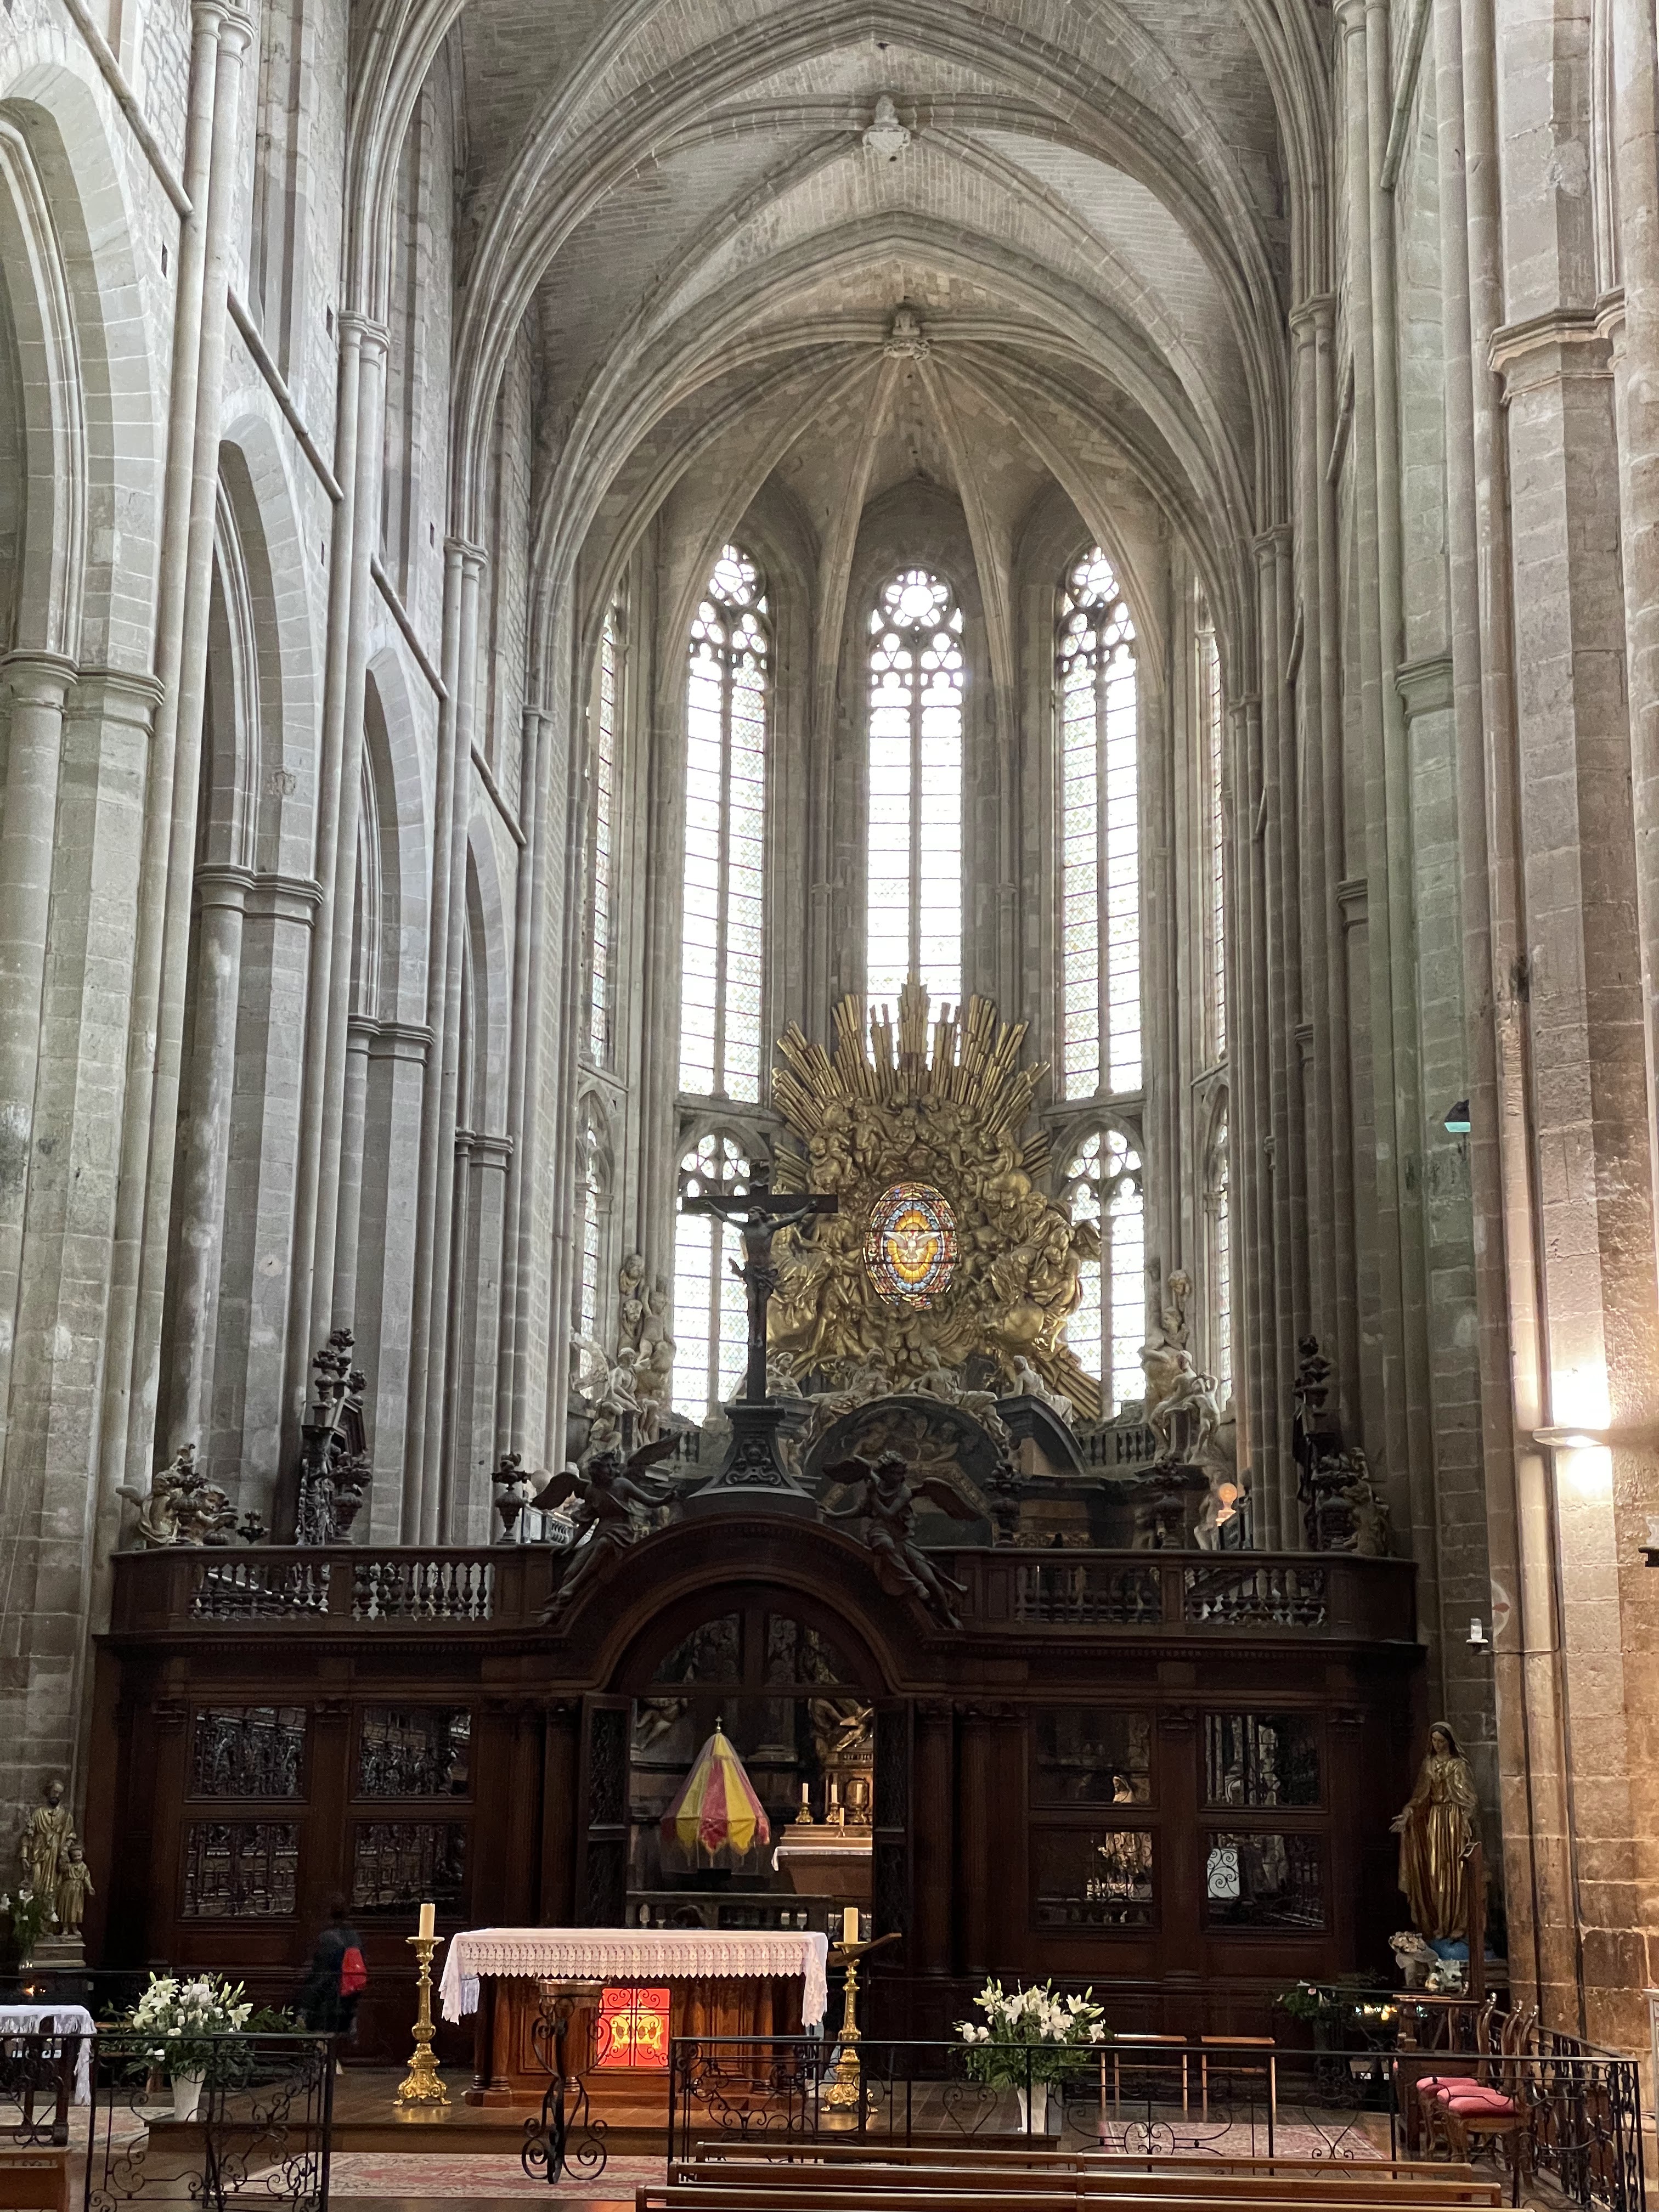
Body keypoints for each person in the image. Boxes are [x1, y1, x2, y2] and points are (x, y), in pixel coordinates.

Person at [1391, 1721, 1479, 1942]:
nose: (1437, 1745)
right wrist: (1408, 1815)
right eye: (1434, 1740)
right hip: (1434, 1823)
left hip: (1454, 1823)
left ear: (1449, 1741)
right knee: (1434, 1874)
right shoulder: (1429, 1764)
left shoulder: (1459, 1766)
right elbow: (1420, 1797)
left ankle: (1457, 1925)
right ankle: (1438, 1923)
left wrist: (1466, 1819)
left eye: (1441, 1741)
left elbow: (1469, 1799)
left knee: (1455, 1873)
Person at [297, 1893, 368, 2058]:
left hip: (329, 2000)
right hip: (349, 1998)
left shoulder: (326, 1938)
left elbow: (320, 1976)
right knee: (335, 2044)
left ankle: (334, 2070)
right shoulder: (355, 1937)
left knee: (323, 2043)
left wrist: (305, 2007)